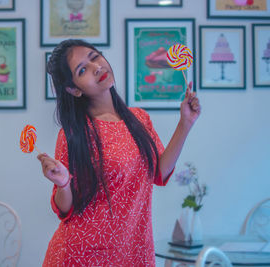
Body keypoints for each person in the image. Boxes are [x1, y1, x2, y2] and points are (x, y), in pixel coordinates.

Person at [37, 39, 201, 266]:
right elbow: (65, 208)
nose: (97, 67)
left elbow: (160, 173)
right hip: (83, 256)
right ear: (74, 89)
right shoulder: (73, 133)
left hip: (134, 251)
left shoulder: (139, 119)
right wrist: (63, 183)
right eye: (82, 70)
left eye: (95, 57)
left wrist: (185, 123)